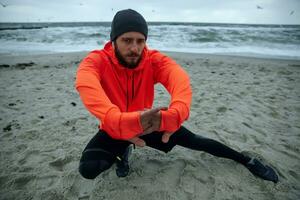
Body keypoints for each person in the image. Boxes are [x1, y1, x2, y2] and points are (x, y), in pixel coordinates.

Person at [75, 9, 278, 183]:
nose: (135, 48)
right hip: (114, 126)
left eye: (140, 41)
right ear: (113, 40)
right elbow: (87, 87)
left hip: (149, 122)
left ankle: (245, 160)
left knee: (197, 141)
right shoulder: (96, 62)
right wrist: (119, 122)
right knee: (89, 168)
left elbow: (179, 80)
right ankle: (123, 155)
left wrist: (174, 115)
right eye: (127, 40)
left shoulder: (153, 60)